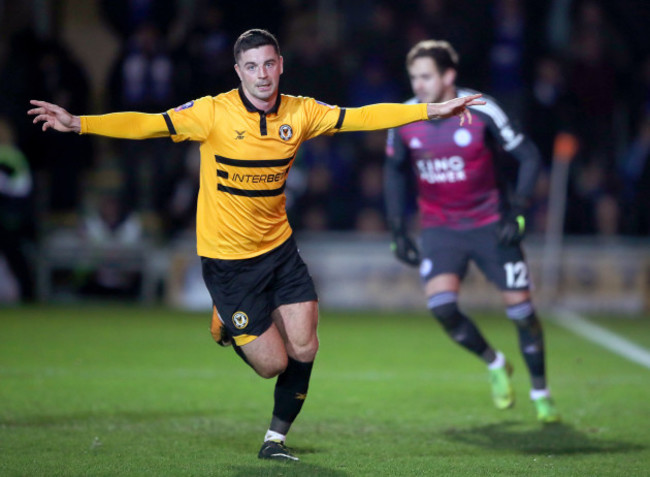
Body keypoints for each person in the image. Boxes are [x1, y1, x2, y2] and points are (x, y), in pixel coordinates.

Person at [29, 29, 484, 461]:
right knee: (272, 364)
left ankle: (275, 439)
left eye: (269, 64)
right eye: (252, 66)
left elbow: (362, 117)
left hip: (279, 250)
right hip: (227, 262)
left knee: (306, 346)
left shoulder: (300, 112)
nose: (262, 74)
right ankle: (225, 320)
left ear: (280, 65)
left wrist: (428, 111)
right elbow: (148, 124)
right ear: (238, 71)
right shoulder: (211, 112)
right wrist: (80, 123)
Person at [384, 39, 560, 423]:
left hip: (490, 225)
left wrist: (518, 212)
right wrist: (398, 228)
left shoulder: (481, 108)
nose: (418, 85)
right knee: (442, 308)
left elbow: (528, 155)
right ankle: (495, 363)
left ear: (449, 76)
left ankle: (541, 392)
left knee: (522, 312)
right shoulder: (404, 117)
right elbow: (394, 172)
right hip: (440, 228)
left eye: (426, 76)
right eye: (414, 77)